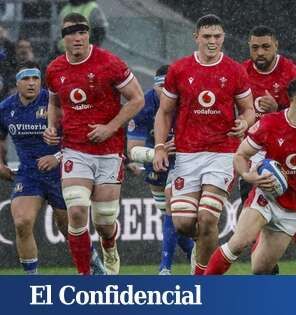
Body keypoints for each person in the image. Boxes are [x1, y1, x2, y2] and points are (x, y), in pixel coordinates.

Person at [153, 14, 255, 276]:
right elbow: (164, 113)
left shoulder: (234, 70)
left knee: (208, 218)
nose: (212, 41)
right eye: (207, 36)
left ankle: (202, 280)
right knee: (184, 224)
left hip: (222, 153)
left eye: (217, 36)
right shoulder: (179, 69)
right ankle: (205, 251)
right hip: (187, 155)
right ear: (196, 37)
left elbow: (248, 110)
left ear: (223, 38)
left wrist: (244, 123)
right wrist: (160, 147)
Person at [43, 13, 144, 275]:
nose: (77, 38)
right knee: (76, 213)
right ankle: (84, 276)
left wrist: (110, 128)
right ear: (62, 37)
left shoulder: (109, 63)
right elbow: (54, 103)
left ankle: (109, 248)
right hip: (75, 149)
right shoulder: (54, 69)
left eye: (82, 32)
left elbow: (137, 99)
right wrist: (52, 127)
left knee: (104, 222)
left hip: (109, 152)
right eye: (71, 33)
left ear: (88, 34)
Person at [205, 78, 296, 275]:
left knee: (260, 269)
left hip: (294, 208)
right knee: (239, 242)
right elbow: (241, 155)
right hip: (266, 197)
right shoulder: (270, 124)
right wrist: (248, 176)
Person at [0, 61, 104, 274]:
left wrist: (57, 156)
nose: (31, 83)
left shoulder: (55, 103)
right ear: (16, 83)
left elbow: (79, 137)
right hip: (29, 174)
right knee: (22, 222)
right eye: (26, 79)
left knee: (70, 230)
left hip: (62, 172)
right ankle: (32, 280)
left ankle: (93, 263)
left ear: (41, 81)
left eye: (35, 78)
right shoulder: (5, 109)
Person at [241, 25, 296, 274]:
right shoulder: (241, 72)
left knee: (294, 216)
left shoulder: (292, 73)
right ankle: (268, 272)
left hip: (284, 155)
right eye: (254, 47)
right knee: (249, 218)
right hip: (251, 153)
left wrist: (280, 107)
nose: (259, 52)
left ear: (276, 46)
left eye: (265, 47)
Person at [126, 65, 194, 275]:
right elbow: (132, 150)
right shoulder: (144, 105)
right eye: (160, 88)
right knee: (173, 219)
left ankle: (165, 268)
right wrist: (157, 151)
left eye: (168, 88)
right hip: (157, 163)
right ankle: (197, 257)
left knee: (173, 208)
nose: (164, 93)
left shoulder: (188, 102)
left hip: (185, 162)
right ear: (154, 87)